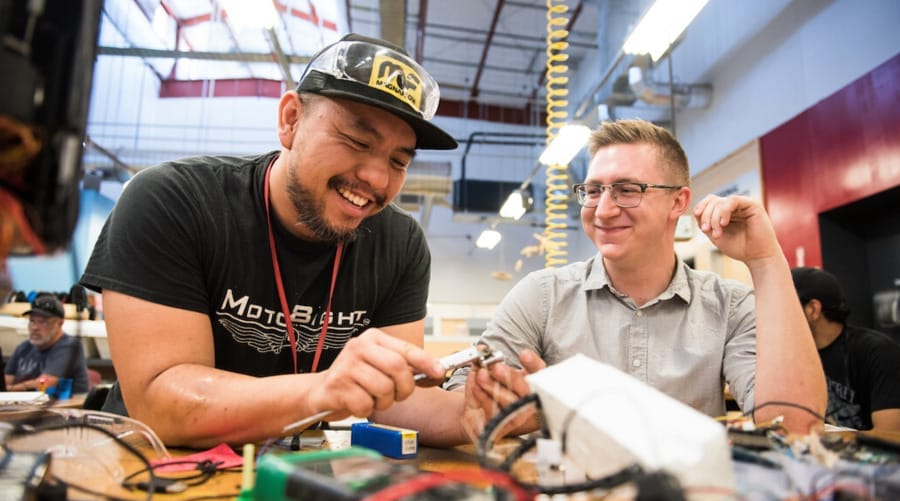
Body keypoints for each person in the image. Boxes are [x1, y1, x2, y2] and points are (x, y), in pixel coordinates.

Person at [78, 33, 471, 448]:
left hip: (291, 469)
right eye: (357, 140)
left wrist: (487, 412)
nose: (377, 178)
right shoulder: (173, 200)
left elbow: (399, 404)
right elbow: (163, 403)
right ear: (290, 120)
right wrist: (322, 390)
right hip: (153, 469)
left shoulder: (400, 243)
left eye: (398, 161)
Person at [445, 119, 827, 435]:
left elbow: (793, 424)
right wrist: (525, 410)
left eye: (627, 190)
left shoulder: (729, 305)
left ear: (678, 202)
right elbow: (463, 404)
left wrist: (764, 259)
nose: (604, 210)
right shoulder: (541, 296)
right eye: (593, 190)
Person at [791, 266, 900, 431]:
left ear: (813, 309)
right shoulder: (796, 356)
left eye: (787, 307)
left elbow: (890, 434)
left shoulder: (879, 352)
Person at [5, 294, 90, 394]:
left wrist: (11, 389)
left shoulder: (70, 347)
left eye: (42, 322)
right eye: (32, 321)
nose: (35, 327)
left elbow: (45, 384)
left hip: (63, 407)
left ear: (60, 323)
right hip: (24, 406)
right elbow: (5, 381)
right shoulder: (24, 347)